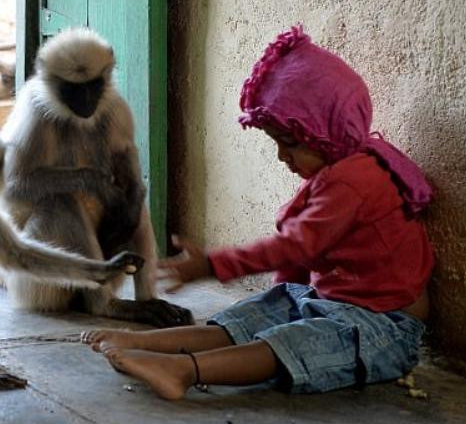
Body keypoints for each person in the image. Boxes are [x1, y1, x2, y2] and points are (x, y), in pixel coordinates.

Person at [82, 27, 434, 399]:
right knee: (258, 312)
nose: (283, 156)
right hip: (330, 302)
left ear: (327, 131)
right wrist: (282, 296)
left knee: (293, 341)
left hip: (383, 328)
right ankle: (155, 345)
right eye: (277, 143)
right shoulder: (340, 169)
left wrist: (214, 265)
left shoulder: (354, 181)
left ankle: (183, 370)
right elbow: (302, 261)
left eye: (290, 143)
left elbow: (295, 247)